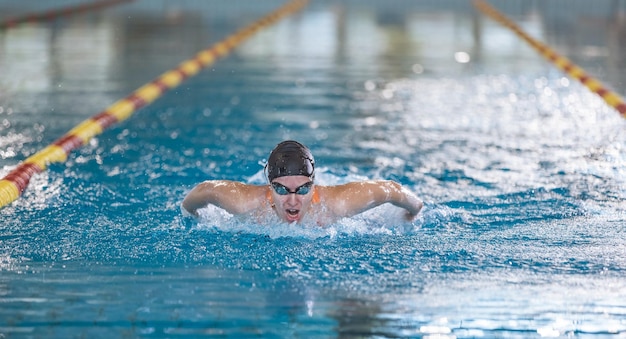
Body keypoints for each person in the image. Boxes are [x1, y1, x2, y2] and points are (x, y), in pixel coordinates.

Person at [182, 140, 423, 226]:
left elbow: (392, 190)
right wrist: (192, 217)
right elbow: (205, 190)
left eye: (303, 189)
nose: (293, 200)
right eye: (281, 190)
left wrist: (411, 215)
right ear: (269, 186)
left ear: (314, 185)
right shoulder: (246, 203)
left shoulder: (337, 204)